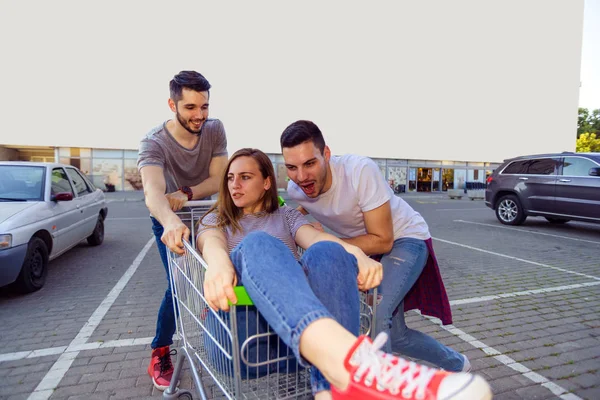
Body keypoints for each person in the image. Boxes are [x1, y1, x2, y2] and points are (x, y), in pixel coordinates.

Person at [196, 148, 491, 400]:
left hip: (292, 344)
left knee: (329, 252)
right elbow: (211, 243)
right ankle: (355, 367)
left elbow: (315, 237)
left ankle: (332, 388)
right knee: (259, 243)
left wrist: (359, 255)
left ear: (266, 183)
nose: (235, 185)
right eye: (231, 178)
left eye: (245, 177)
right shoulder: (216, 218)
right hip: (237, 338)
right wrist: (219, 263)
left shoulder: (286, 216)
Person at [280, 120, 469, 373]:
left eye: (309, 163)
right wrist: (304, 223)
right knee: (397, 335)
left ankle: (382, 387)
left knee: (377, 315)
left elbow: (383, 239)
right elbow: (297, 212)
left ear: (326, 154)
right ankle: (458, 365)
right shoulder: (297, 189)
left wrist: (329, 245)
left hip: (405, 239)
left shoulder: (359, 171)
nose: (301, 176)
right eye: (292, 167)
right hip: (369, 251)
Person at [137, 70, 228, 390]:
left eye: (204, 106)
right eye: (190, 107)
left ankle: (217, 324)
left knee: (220, 271)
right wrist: (171, 221)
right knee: (177, 287)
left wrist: (187, 193)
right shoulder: (153, 142)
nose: (199, 115)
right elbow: (152, 193)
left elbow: (219, 179)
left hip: (205, 214)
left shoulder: (214, 129)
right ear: (172, 104)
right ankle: (160, 350)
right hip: (169, 220)